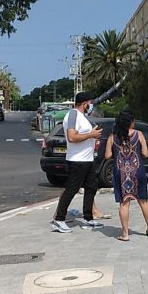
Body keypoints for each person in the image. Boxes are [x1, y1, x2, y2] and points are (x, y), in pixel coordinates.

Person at [52, 92, 103, 233]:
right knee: (71, 189)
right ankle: (59, 219)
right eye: (89, 103)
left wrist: (93, 135)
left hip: (87, 159)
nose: (91, 106)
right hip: (77, 160)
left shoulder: (82, 117)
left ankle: (88, 218)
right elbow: (72, 136)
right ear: (84, 103)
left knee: (92, 186)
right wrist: (91, 135)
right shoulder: (73, 114)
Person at [104, 109, 148, 241]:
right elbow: (145, 154)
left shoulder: (112, 137)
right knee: (143, 201)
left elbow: (107, 155)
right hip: (138, 171)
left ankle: (125, 234)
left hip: (120, 173)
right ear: (130, 122)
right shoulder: (139, 134)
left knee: (124, 203)